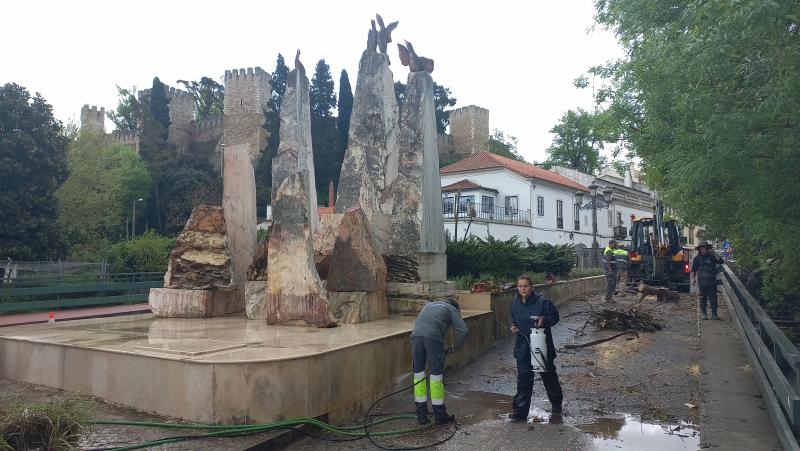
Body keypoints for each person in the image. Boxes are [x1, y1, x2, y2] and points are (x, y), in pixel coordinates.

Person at [509, 275, 563, 421]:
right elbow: (514, 318)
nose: (522, 289)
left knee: (548, 377)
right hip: (523, 346)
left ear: (531, 287)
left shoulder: (543, 302)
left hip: (541, 344)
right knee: (524, 379)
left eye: (525, 286)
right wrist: (514, 326)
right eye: (520, 286)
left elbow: (555, 317)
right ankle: (520, 412)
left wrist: (543, 320)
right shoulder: (515, 302)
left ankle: (556, 403)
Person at [410, 298, 469, 425]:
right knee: (436, 376)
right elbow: (464, 331)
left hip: (415, 337)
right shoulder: (451, 309)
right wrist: (456, 346)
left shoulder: (428, 305)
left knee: (418, 375)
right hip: (433, 338)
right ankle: (440, 415)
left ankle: (421, 414)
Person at [691, 241, 724, 320]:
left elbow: (721, 261)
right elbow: (693, 269)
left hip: (712, 280)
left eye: (706, 248)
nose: (705, 249)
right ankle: (704, 313)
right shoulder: (697, 259)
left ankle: (714, 314)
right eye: (703, 248)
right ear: (700, 249)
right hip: (702, 281)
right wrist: (693, 278)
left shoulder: (712, 257)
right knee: (703, 297)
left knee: (713, 297)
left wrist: (714, 253)